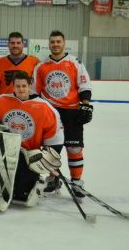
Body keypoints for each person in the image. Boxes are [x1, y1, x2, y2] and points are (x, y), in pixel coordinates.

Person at [0, 71, 64, 207]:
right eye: (18, 86)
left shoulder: (45, 108)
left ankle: (36, 181)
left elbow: (55, 137)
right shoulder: (1, 100)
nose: (21, 89)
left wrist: (45, 157)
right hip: (4, 155)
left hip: (29, 158)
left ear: (29, 86)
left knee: (21, 198)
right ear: (13, 87)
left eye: (23, 86)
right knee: (3, 194)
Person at [32, 30, 93, 197]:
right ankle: (53, 179)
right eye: (52, 42)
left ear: (64, 43)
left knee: (74, 148)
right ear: (49, 44)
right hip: (51, 114)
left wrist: (86, 105)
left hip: (72, 113)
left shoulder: (75, 62)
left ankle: (77, 182)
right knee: (52, 150)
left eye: (58, 41)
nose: (55, 45)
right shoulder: (41, 66)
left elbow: (84, 85)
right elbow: (34, 93)